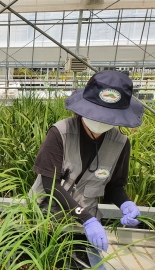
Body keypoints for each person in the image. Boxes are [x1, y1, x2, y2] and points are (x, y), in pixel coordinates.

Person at [30, 70, 143, 252]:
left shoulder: (120, 143)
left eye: (108, 116)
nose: (100, 122)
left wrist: (125, 203)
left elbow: (114, 186)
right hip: (43, 219)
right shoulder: (60, 133)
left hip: (85, 230)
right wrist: (86, 218)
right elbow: (50, 184)